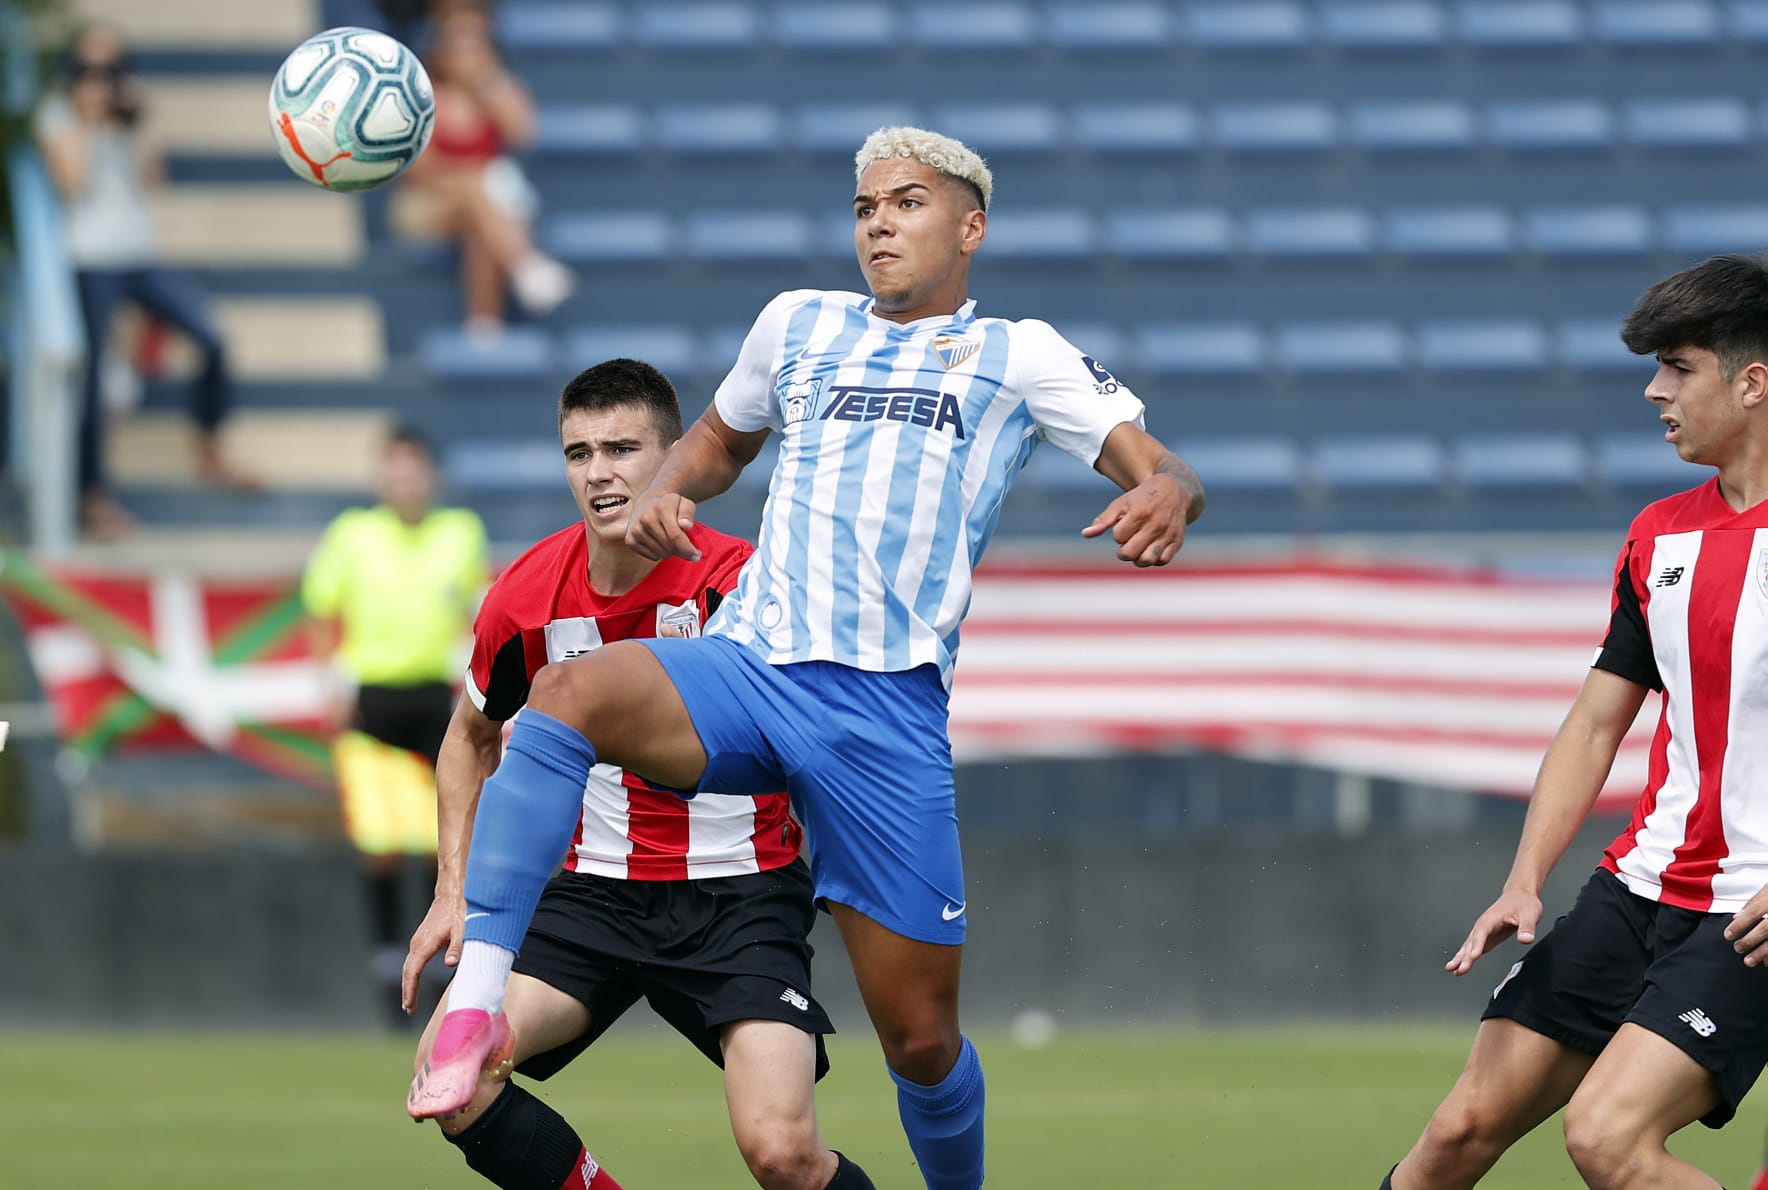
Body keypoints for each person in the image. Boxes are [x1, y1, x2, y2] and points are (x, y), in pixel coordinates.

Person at [405, 126, 1204, 1190]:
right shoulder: (798, 324)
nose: (879, 221)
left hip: (883, 719)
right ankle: (477, 998)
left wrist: (1166, 492)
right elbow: (719, 442)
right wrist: (669, 482)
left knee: (920, 1040)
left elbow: (1160, 463)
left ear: (969, 227)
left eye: (907, 203)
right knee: (565, 690)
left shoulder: (1022, 354)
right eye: (867, 205)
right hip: (754, 671)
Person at [402, 358, 875, 1190]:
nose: (599, 472)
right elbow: (469, 737)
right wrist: (451, 890)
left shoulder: (741, 582)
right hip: (595, 894)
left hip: (740, 892)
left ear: (674, 458)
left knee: (783, 1154)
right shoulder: (523, 596)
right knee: (452, 1080)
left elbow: (819, 733)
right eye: (579, 452)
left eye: (623, 448)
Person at [1377, 253, 1768, 1190]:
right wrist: (1524, 881)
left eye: (1677, 367)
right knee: (1456, 1136)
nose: (1653, 391)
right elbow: (1595, 723)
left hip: (1749, 916)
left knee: (1607, 1141)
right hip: (1638, 888)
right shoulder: (1658, 533)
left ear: (1754, 381)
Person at [35, 23, 254, 538]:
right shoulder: (57, 114)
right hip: (88, 260)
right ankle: (91, 495)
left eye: (110, 71)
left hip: (138, 255)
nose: (100, 81)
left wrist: (135, 122)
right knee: (88, 382)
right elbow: (71, 185)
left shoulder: (130, 114)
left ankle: (210, 450)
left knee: (213, 339)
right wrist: (89, 121)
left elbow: (155, 179)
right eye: (88, 71)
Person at [303, 424, 489, 1026]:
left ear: (429, 476)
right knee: (381, 844)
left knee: (447, 843)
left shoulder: (460, 534)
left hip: (437, 703)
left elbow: (480, 612)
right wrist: (328, 686)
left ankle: (442, 966)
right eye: (394, 468)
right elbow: (320, 611)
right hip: (371, 703)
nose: (403, 480)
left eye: (413, 468)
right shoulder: (352, 535)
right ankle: (389, 966)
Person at [389, 0, 574, 332]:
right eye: (459, 40)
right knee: (483, 198)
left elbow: (524, 131)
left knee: (482, 230)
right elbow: (420, 170)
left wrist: (488, 82)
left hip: (484, 208)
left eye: (477, 40)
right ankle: (526, 265)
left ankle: (484, 327)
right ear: (440, 49)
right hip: (424, 206)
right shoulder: (422, 99)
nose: (468, 50)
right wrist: (472, 185)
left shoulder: (498, 90)